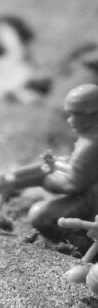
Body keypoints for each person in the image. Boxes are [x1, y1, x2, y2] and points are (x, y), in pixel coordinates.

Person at [28, 84, 98, 251]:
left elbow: (74, 184)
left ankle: (82, 248)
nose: (69, 120)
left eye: (75, 115)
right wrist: (57, 163)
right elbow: (79, 167)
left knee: (40, 216)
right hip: (91, 196)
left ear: (92, 114)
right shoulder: (88, 138)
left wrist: (45, 179)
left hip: (92, 201)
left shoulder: (91, 143)